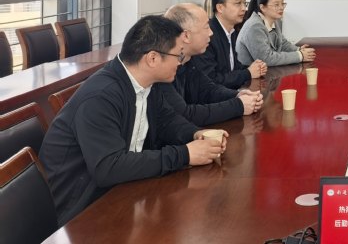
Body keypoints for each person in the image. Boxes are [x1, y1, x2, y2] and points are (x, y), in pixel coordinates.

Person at [39, 15, 227, 225]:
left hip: (124, 190)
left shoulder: (146, 83)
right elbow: (108, 167)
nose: (180, 62)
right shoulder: (101, 97)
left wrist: (195, 133)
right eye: (178, 55)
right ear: (152, 58)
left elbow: (167, 119)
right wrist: (185, 154)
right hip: (83, 212)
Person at [162, 3, 263, 126]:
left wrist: (237, 95)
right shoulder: (162, 69)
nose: (211, 33)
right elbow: (184, 114)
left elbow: (208, 89)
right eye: (206, 27)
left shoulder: (189, 60)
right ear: (186, 36)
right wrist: (238, 105)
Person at [195, 0, 266, 88]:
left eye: (244, 3)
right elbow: (211, 80)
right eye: (238, 3)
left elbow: (233, 68)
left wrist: (255, 68)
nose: (244, 8)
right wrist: (248, 73)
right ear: (220, 8)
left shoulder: (231, 32)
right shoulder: (207, 35)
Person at [237, 0, 315, 66]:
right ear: (263, 7)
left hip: (267, 71)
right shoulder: (254, 27)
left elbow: (282, 43)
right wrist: (300, 56)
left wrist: (299, 50)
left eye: (282, 4)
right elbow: (266, 59)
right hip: (248, 72)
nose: (281, 8)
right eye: (276, 5)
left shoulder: (274, 21)